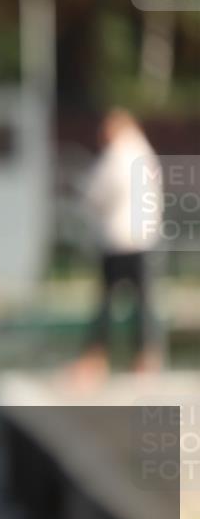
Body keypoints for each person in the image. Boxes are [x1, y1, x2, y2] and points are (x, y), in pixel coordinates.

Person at [70, 107, 164, 383]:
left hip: (118, 240)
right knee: (144, 303)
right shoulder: (145, 153)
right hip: (145, 239)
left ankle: (95, 358)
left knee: (106, 303)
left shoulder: (119, 154)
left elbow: (97, 193)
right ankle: (146, 359)